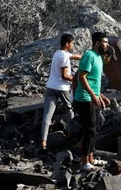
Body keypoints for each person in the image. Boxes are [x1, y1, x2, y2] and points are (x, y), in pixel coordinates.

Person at [74, 32, 112, 172]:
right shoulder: (89, 56)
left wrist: (100, 96)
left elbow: (93, 81)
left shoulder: (99, 58)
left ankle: (90, 158)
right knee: (89, 130)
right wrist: (92, 95)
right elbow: (82, 78)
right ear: (97, 43)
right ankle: (84, 162)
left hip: (93, 98)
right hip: (84, 99)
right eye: (105, 42)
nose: (107, 45)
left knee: (97, 126)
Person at [40, 33, 82, 150]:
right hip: (62, 88)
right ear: (67, 44)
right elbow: (64, 76)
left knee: (47, 116)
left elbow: (72, 56)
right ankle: (70, 132)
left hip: (50, 87)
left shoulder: (58, 53)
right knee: (69, 109)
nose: (73, 45)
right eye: (72, 43)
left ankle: (44, 141)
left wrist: (83, 57)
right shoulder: (64, 57)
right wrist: (76, 78)